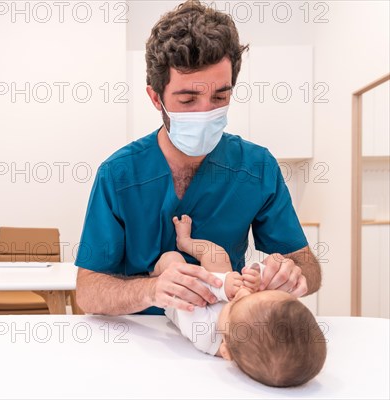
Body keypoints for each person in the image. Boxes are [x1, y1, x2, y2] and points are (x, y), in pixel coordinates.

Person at [75, 0, 321, 316]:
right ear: (155, 98)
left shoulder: (256, 168)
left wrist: (292, 275)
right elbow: (88, 291)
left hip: (225, 334)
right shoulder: (119, 174)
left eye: (220, 97)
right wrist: (151, 290)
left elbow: (307, 267)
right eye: (188, 99)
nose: (206, 112)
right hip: (139, 341)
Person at [158, 215, 327, 387]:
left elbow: (191, 291)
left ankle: (153, 272)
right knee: (217, 255)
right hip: (220, 288)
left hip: (187, 295)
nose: (244, 294)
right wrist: (256, 278)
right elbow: (259, 285)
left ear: (226, 352)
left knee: (172, 260)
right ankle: (185, 241)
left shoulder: (204, 335)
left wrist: (223, 286)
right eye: (252, 297)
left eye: (234, 306)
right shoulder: (251, 323)